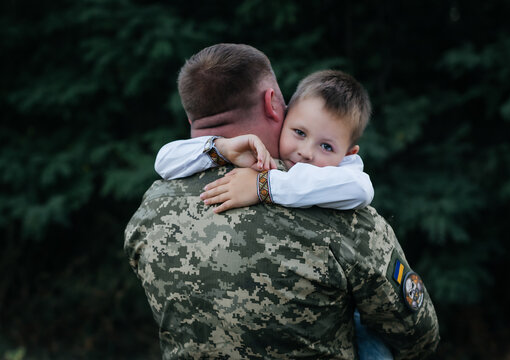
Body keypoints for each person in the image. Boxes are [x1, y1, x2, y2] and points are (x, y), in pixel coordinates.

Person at [124, 43, 440, 359]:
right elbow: (417, 334)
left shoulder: (148, 213)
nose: (306, 151)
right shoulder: (338, 215)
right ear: (273, 103)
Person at [154, 70, 375, 214]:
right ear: (284, 115)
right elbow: (164, 161)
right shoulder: (257, 150)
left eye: (326, 147)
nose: (306, 152)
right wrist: (221, 148)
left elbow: (361, 190)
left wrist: (263, 185)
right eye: (299, 132)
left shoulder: (346, 173)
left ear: (348, 154)